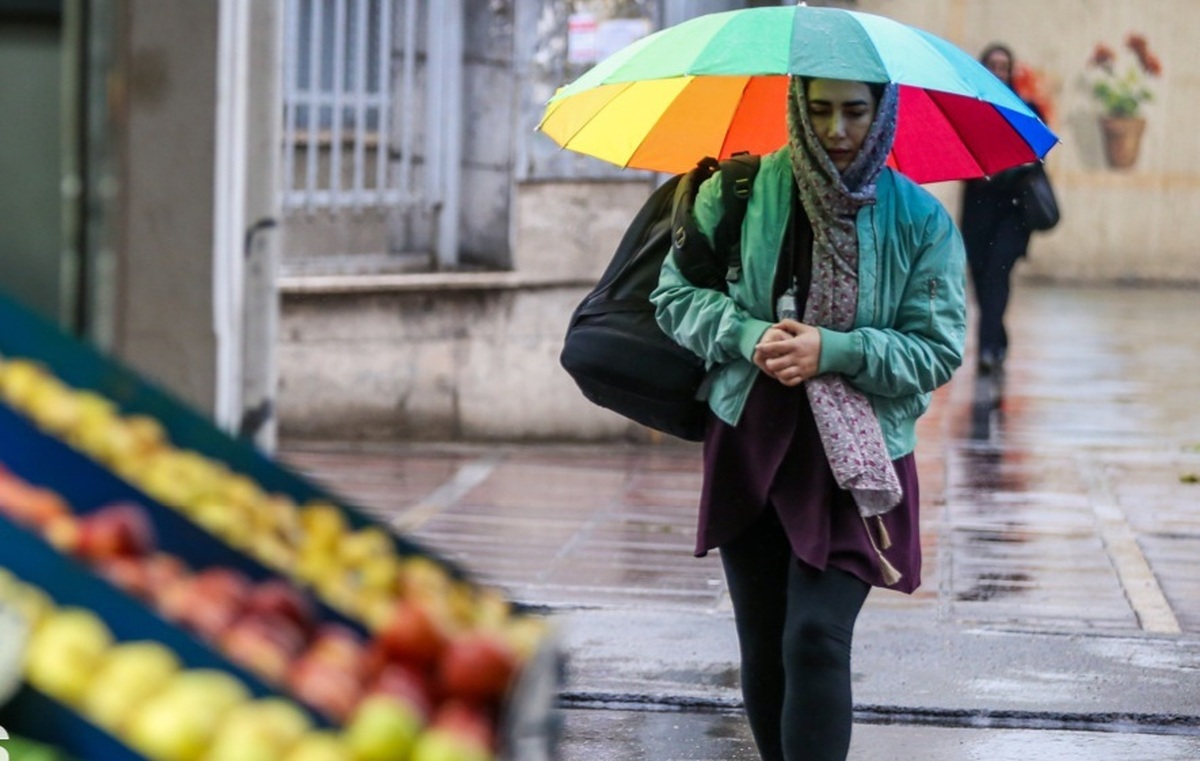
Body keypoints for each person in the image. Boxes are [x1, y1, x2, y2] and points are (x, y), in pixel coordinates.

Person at [650, 76, 966, 761]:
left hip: (857, 456)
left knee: (815, 637)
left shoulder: (919, 218)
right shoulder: (736, 192)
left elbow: (937, 349)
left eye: (855, 111)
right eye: (819, 110)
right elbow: (672, 296)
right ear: (797, 107)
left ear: (883, 112)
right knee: (764, 641)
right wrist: (743, 334)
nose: (837, 129)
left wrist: (836, 349)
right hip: (754, 438)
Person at [960, 43, 1041, 374]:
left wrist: (1006, 168)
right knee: (982, 282)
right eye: (991, 65)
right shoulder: (969, 111)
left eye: (1003, 66)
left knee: (997, 275)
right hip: (978, 214)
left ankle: (988, 349)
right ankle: (997, 338)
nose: (998, 72)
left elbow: (1037, 154)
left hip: (1012, 214)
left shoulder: (1026, 109)